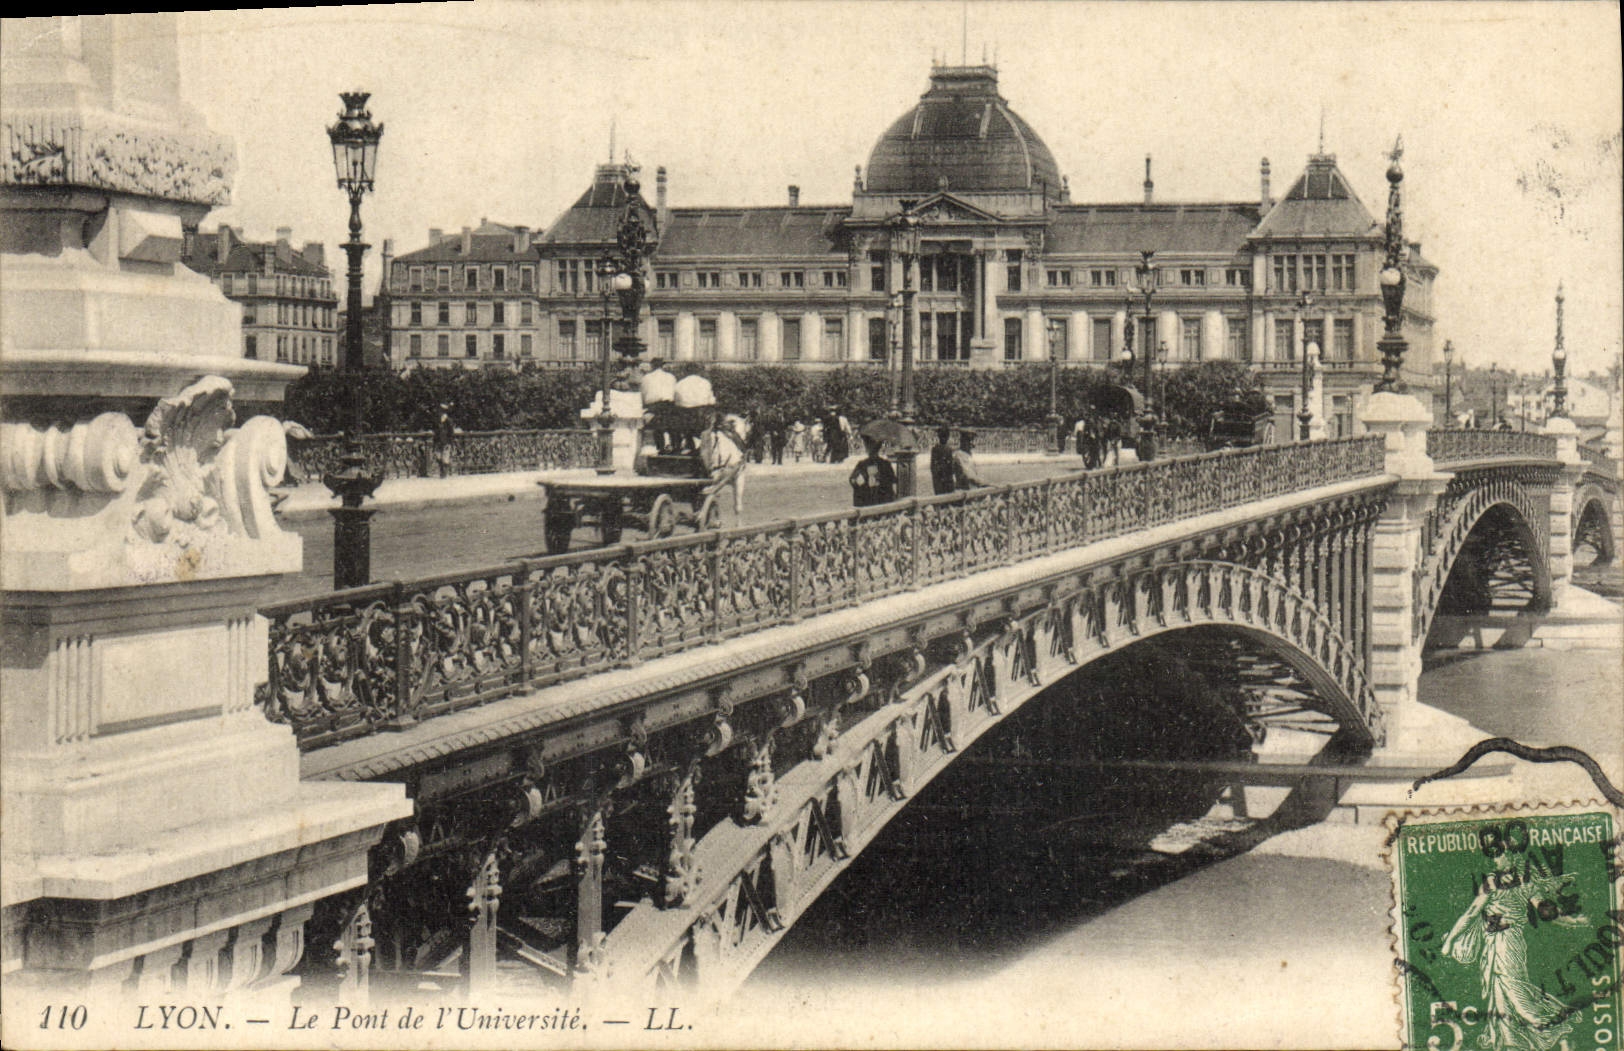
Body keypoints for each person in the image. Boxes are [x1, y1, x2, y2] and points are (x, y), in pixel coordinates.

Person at [848, 435, 898, 507]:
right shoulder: (885, 464)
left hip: (867, 503)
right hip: (884, 503)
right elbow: (893, 480)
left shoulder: (862, 465)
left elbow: (853, 481)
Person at [929, 426, 956, 495]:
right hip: (947, 477)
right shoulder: (949, 449)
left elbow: (932, 466)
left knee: (940, 496)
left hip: (939, 477)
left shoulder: (935, 449)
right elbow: (952, 466)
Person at [432, 402, 455, 478]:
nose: (440, 412)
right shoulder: (437, 420)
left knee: (445, 458)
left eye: (441, 411)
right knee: (438, 457)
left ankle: (444, 472)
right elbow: (435, 430)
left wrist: (450, 442)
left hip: (446, 441)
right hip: (438, 441)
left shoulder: (448, 420)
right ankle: (442, 470)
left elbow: (451, 432)